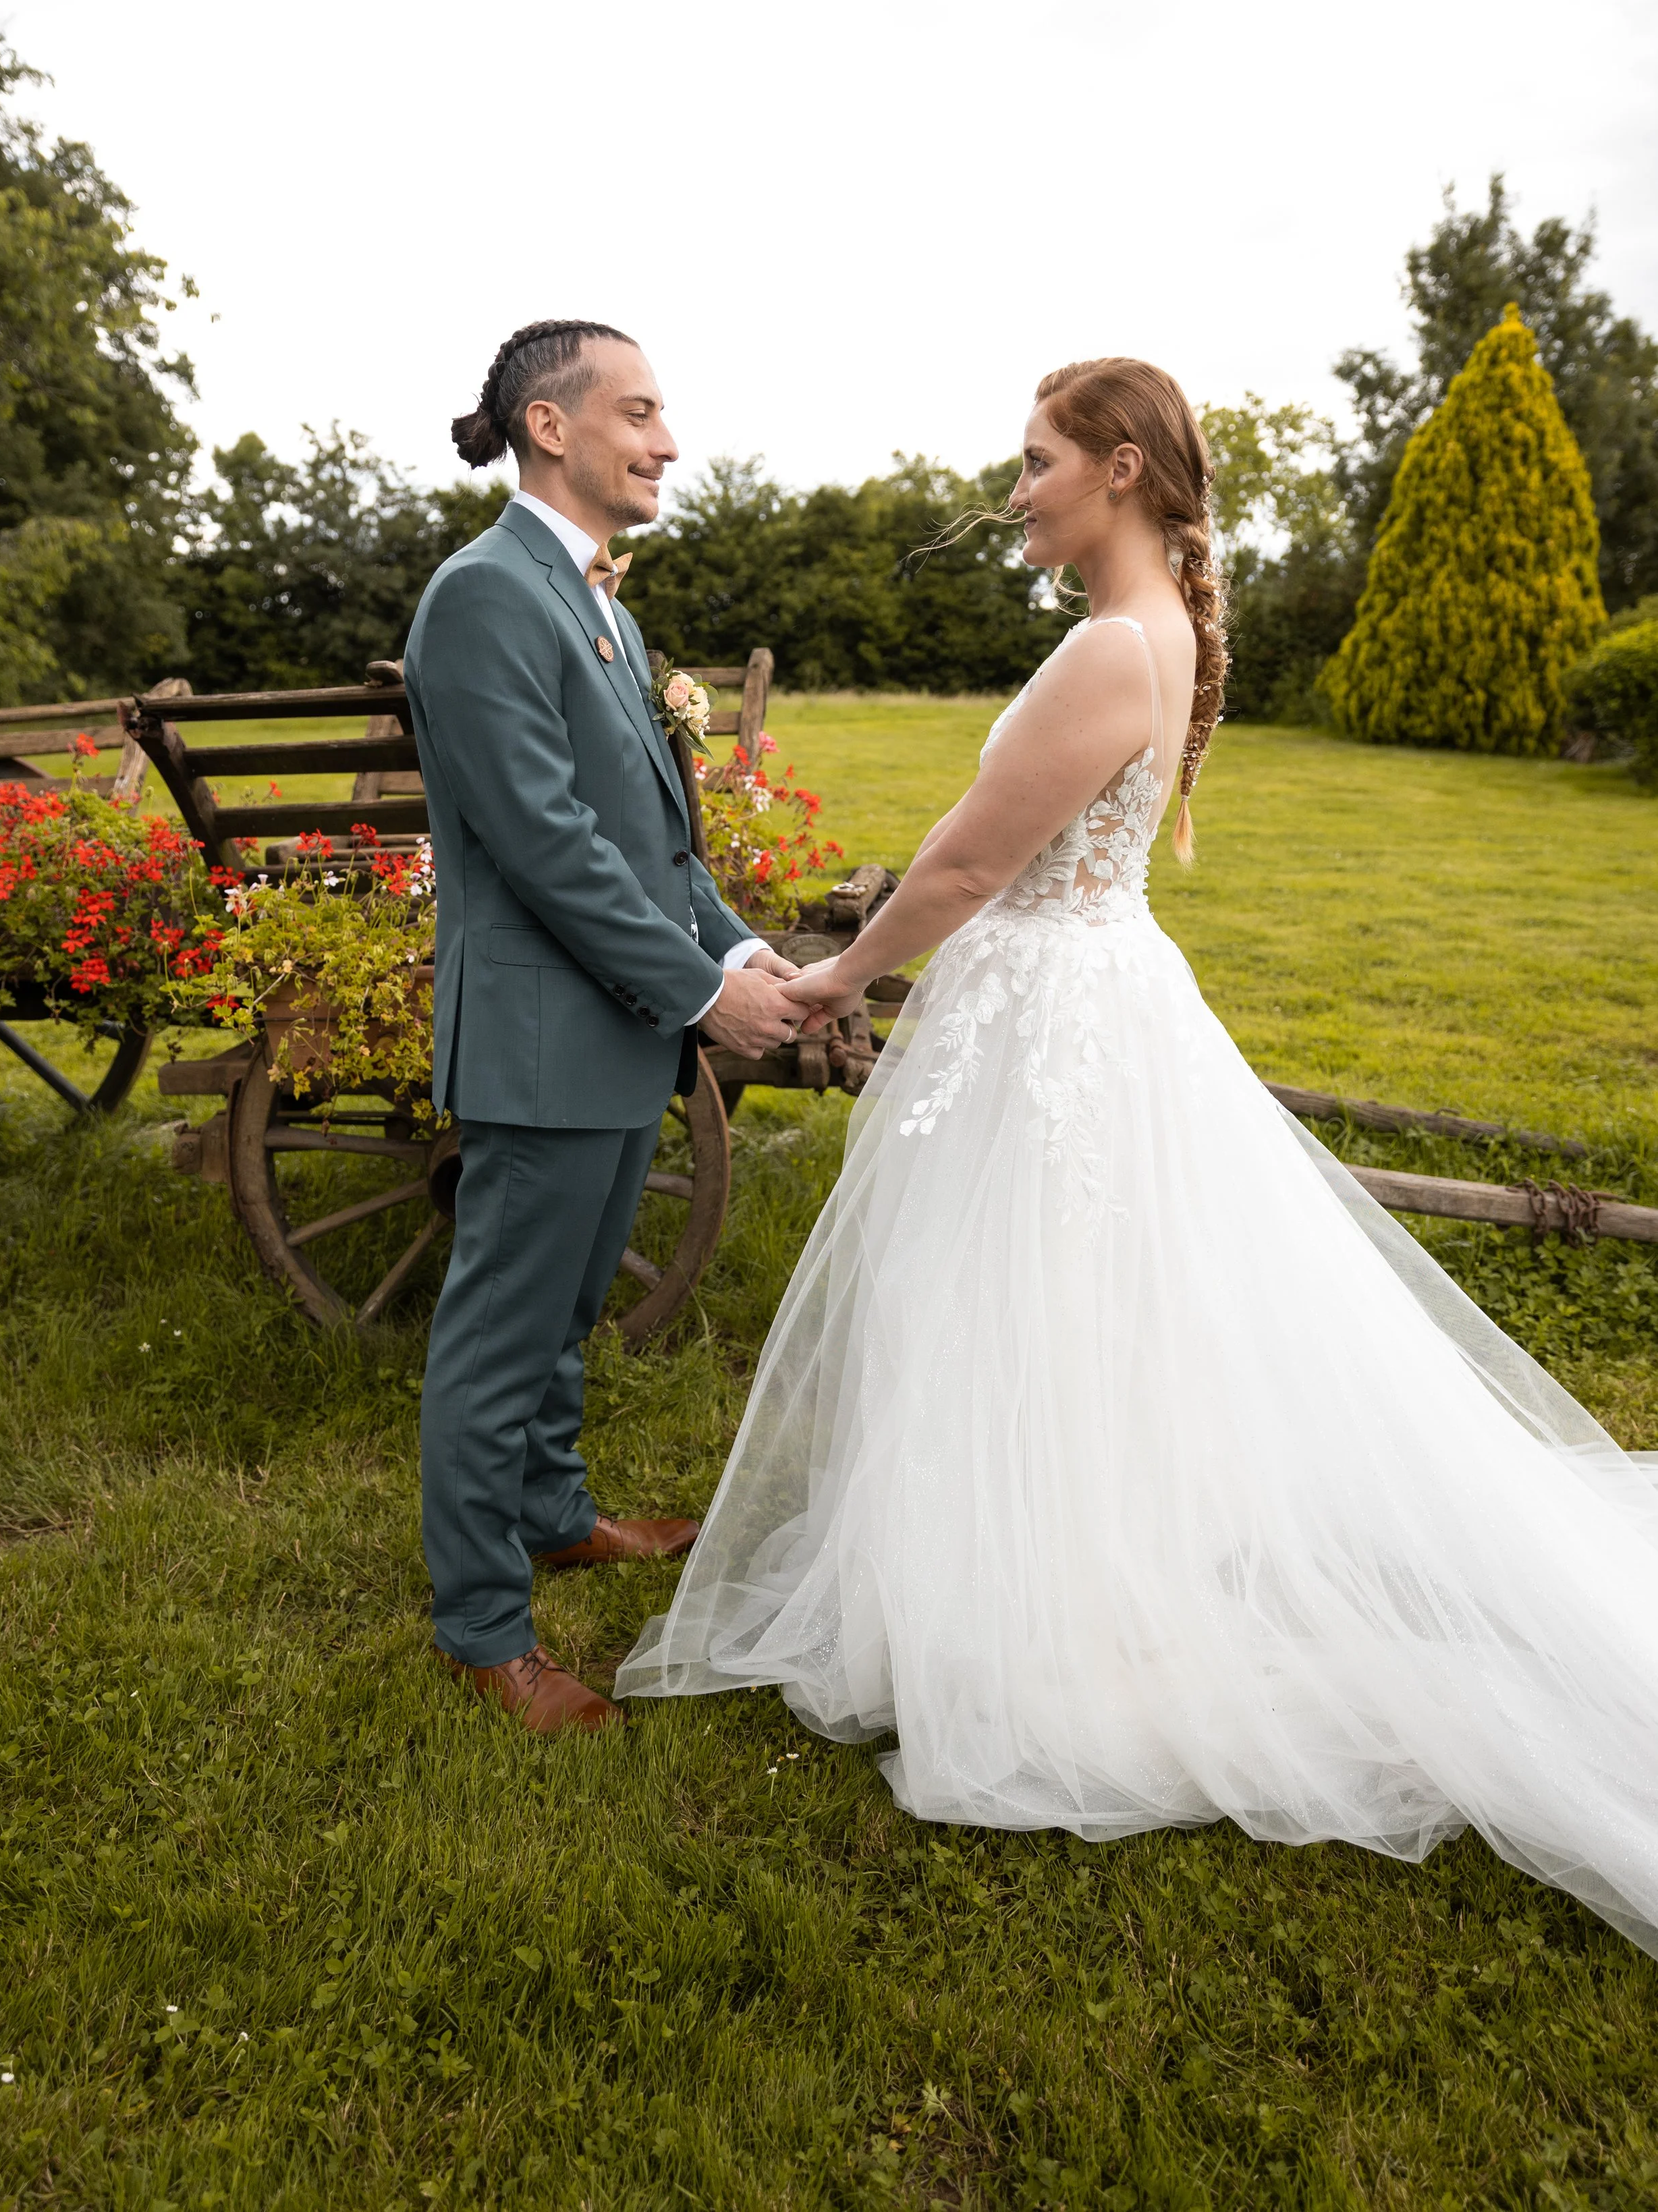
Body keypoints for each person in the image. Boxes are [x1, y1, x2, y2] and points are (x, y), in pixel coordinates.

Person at [618, 354, 1658, 1959]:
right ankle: (1003, 1597)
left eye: (1034, 460)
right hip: (1080, 995)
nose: (1012, 489)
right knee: (1053, 1315)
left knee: (1023, 1306)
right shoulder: (1143, 631)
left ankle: (1043, 1634)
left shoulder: (1113, 645)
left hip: (1051, 1016)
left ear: (1116, 468)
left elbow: (969, 859)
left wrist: (833, 977)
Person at [406, 320, 805, 1735]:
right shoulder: (480, 597)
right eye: (638, 411)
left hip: (613, 1035)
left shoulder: (603, 607)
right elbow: (547, 846)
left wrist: (739, 945)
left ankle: (554, 1513)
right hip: (536, 1040)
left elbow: (651, 835)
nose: (668, 439)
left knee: (571, 1309)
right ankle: (481, 1626)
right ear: (549, 425)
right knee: (501, 1337)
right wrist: (706, 996)